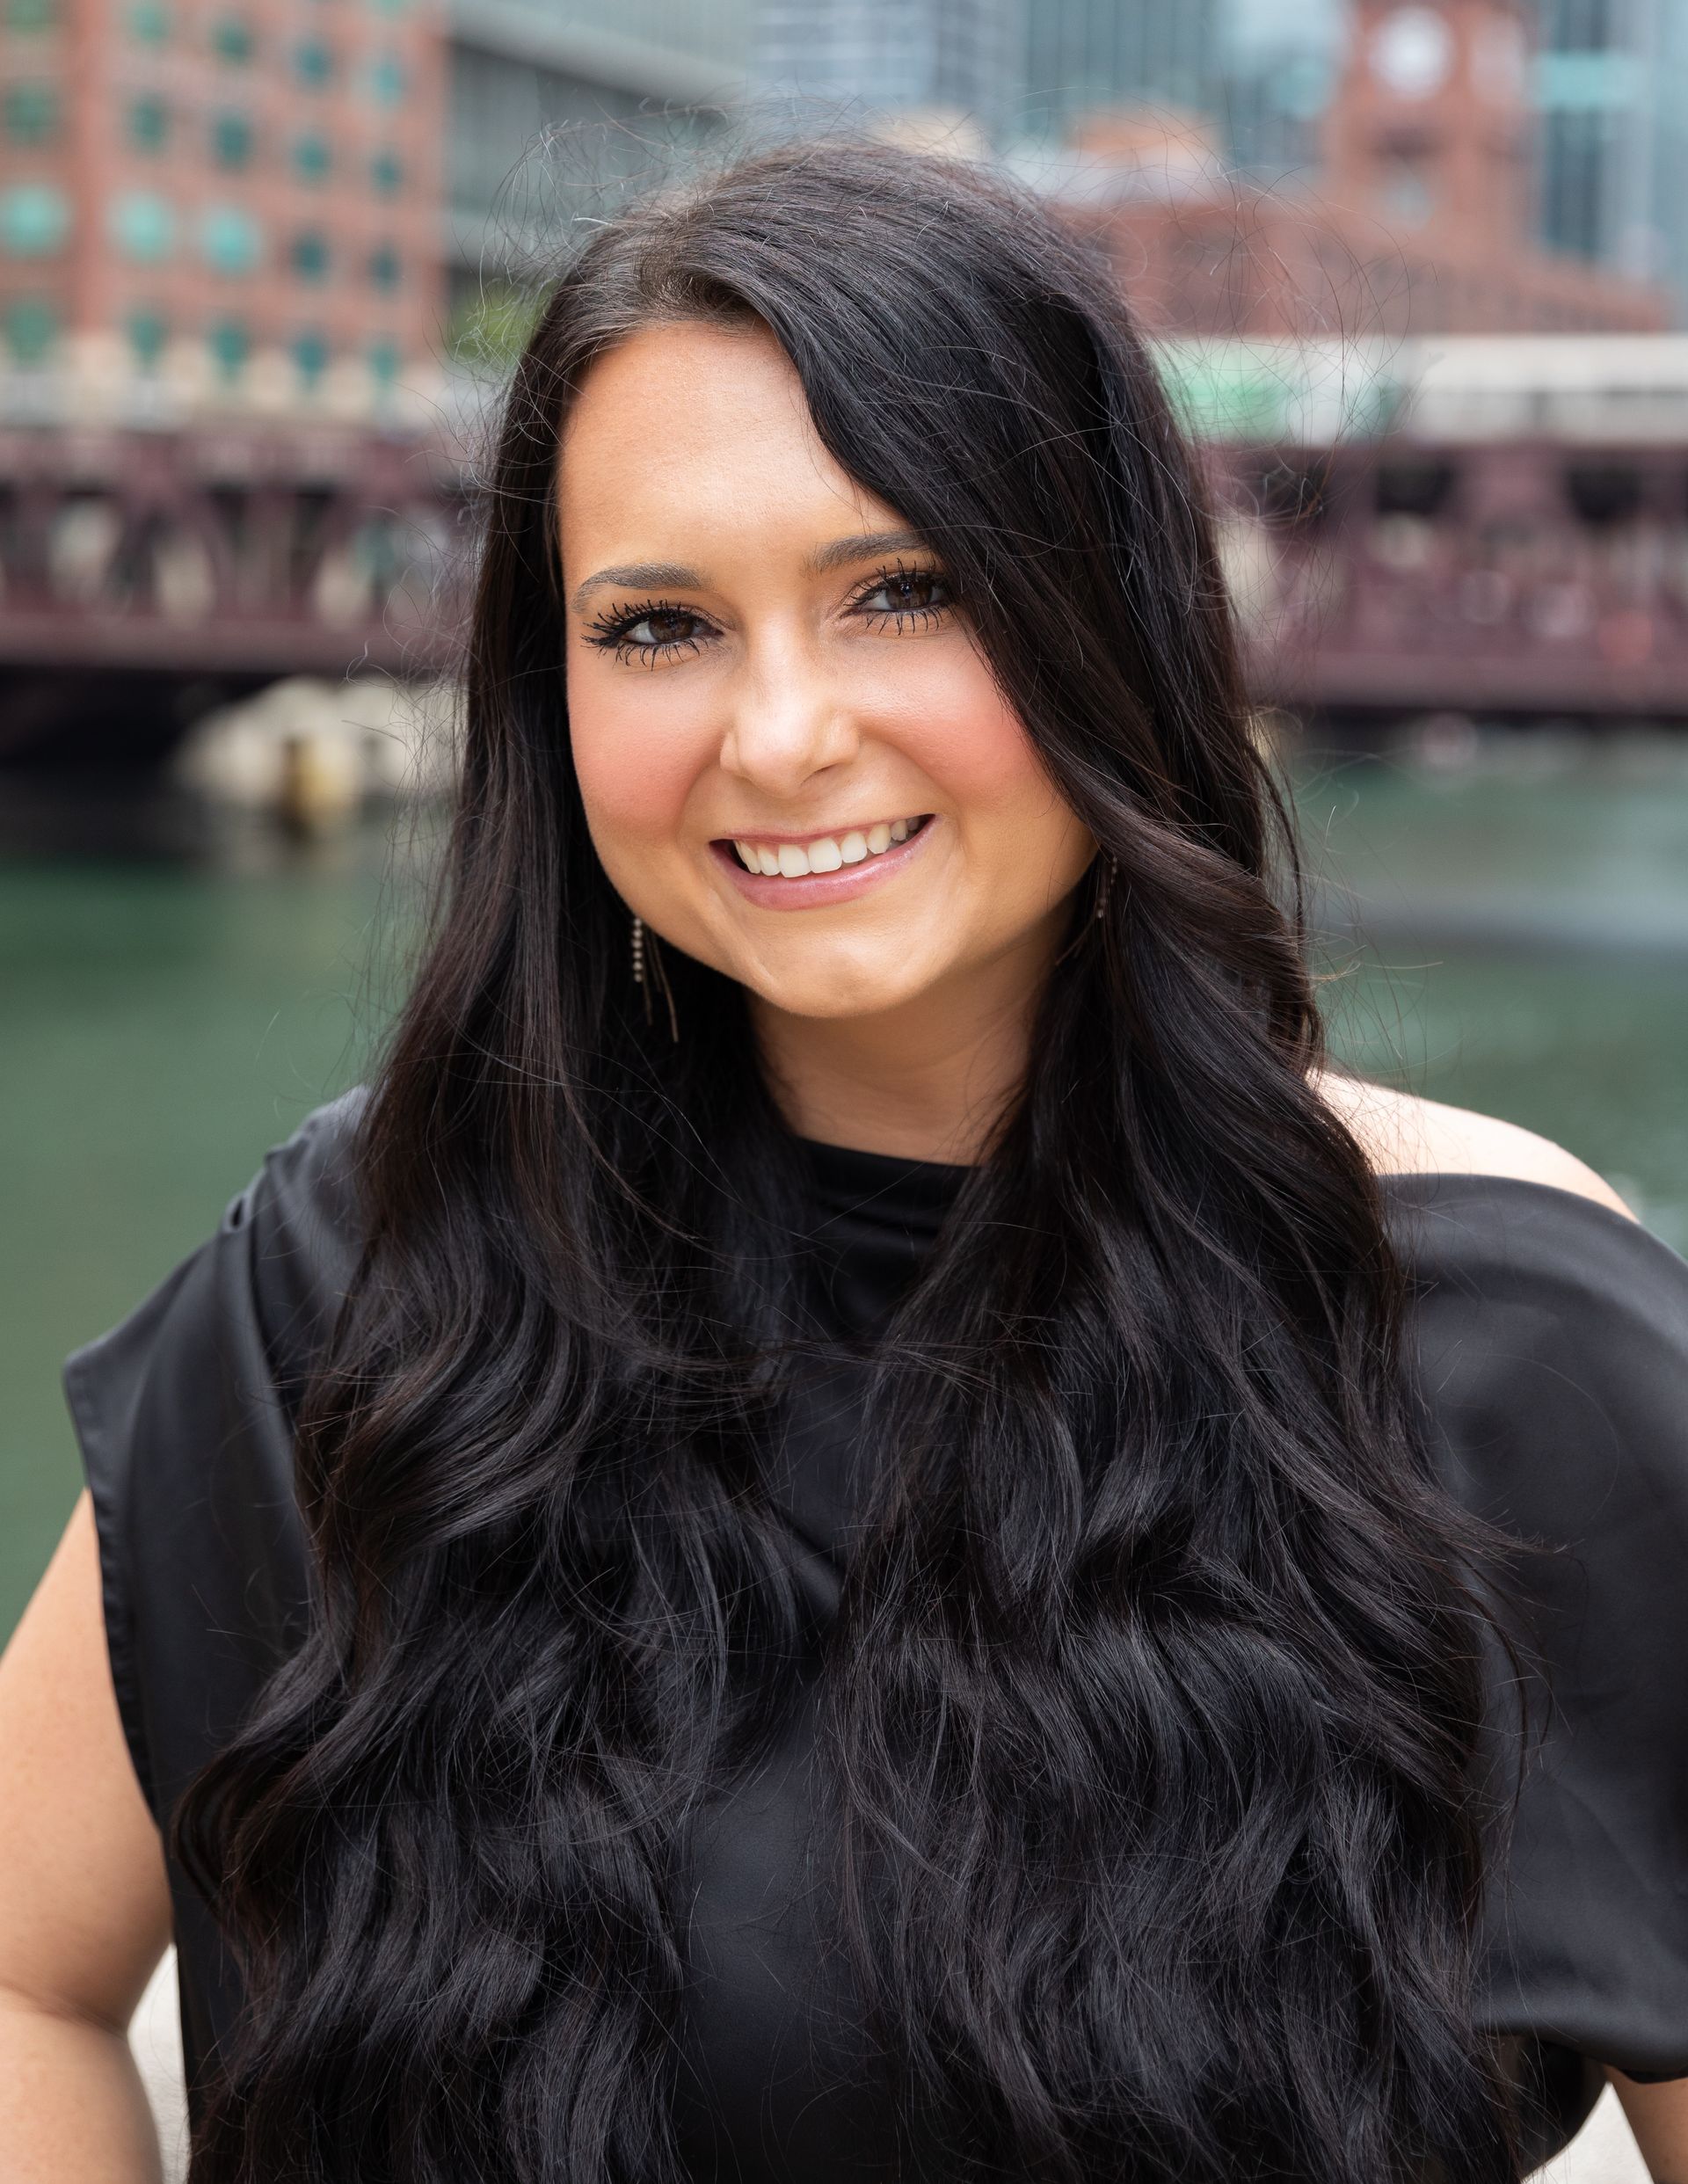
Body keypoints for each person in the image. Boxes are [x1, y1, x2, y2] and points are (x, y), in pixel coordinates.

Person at [2, 142, 1685, 2184]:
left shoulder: (1503, 1332)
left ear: (1107, 616)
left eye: (903, 590)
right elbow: (23, 1974)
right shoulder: (359, 1279)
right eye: (657, 628)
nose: (782, 735)